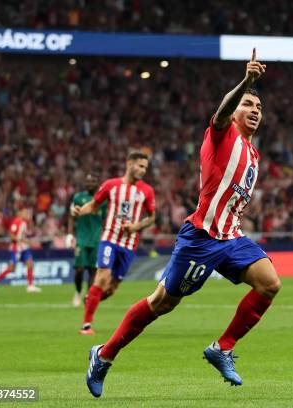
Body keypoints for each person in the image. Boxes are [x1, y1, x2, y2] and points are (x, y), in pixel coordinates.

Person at [85, 49, 280, 398]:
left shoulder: (253, 154)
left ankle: (222, 348)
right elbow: (221, 112)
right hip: (201, 237)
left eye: (259, 108)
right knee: (162, 303)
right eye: (248, 105)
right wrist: (246, 82)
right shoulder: (222, 135)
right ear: (235, 112)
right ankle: (103, 354)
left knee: (269, 284)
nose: (254, 111)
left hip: (230, 235)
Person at [72, 151, 156, 334]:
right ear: (129, 164)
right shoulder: (111, 185)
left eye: (145, 168)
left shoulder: (146, 191)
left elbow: (151, 217)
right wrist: (80, 211)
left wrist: (136, 226)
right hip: (109, 239)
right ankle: (86, 325)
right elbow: (93, 205)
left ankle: (91, 298)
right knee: (102, 277)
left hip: (129, 244)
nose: (143, 170)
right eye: (140, 166)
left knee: (110, 289)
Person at [68, 174, 106, 307]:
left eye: (93, 181)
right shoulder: (78, 197)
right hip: (81, 239)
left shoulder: (103, 200)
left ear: (97, 183)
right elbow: (71, 215)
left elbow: (106, 220)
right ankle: (78, 292)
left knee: (92, 271)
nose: (90, 183)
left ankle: (88, 296)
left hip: (96, 240)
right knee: (79, 270)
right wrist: (69, 234)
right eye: (88, 181)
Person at [0, 208, 41, 292]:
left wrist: (26, 240)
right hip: (16, 248)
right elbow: (11, 235)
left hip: (24, 248)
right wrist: (22, 240)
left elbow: (23, 235)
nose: (26, 214)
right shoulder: (16, 221)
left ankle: (30, 286)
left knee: (30, 263)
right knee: (12, 268)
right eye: (25, 212)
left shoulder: (24, 223)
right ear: (20, 213)